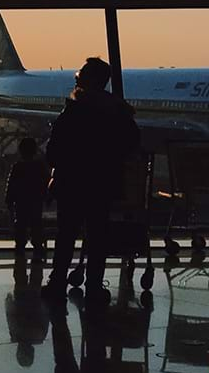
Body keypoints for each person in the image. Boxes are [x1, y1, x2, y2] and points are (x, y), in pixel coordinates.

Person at [43, 57, 140, 303]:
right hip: (102, 184)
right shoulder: (118, 112)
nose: (76, 79)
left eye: (79, 75)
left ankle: (57, 283)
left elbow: (53, 151)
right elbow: (131, 145)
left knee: (66, 236)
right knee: (97, 237)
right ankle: (94, 287)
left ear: (87, 80)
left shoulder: (74, 111)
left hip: (72, 183)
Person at [5, 137, 49, 271]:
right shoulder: (40, 166)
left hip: (21, 201)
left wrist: (9, 199)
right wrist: (47, 197)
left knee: (21, 225)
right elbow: (46, 183)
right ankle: (37, 248)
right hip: (35, 201)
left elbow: (11, 185)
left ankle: (20, 248)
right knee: (36, 224)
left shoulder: (17, 167)